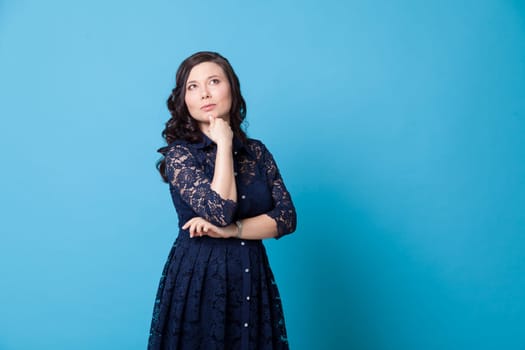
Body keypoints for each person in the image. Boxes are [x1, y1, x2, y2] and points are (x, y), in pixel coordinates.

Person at [147, 51, 297, 350]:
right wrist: (225, 144)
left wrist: (235, 231)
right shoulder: (180, 156)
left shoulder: (257, 153)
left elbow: (286, 218)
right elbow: (219, 212)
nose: (204, 93)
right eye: (193, 86)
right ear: (184, 100)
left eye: (214, 81)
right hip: (200, 280)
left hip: (250, 277)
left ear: (232, 88)